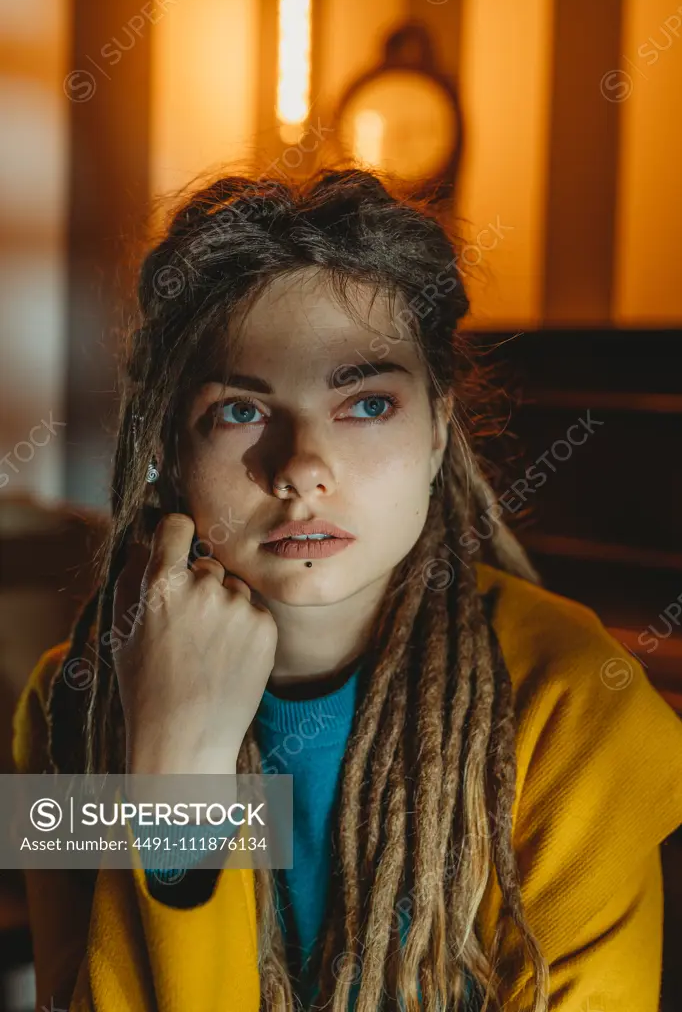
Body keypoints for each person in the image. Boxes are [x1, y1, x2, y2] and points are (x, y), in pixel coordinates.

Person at [12, 168, 682, 1012]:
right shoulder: (65, 705)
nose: (301, 469)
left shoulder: (581, 702)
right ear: (170, 450)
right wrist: (175, 766)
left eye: (365, 404)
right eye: (240, 410)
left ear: (440, 427)